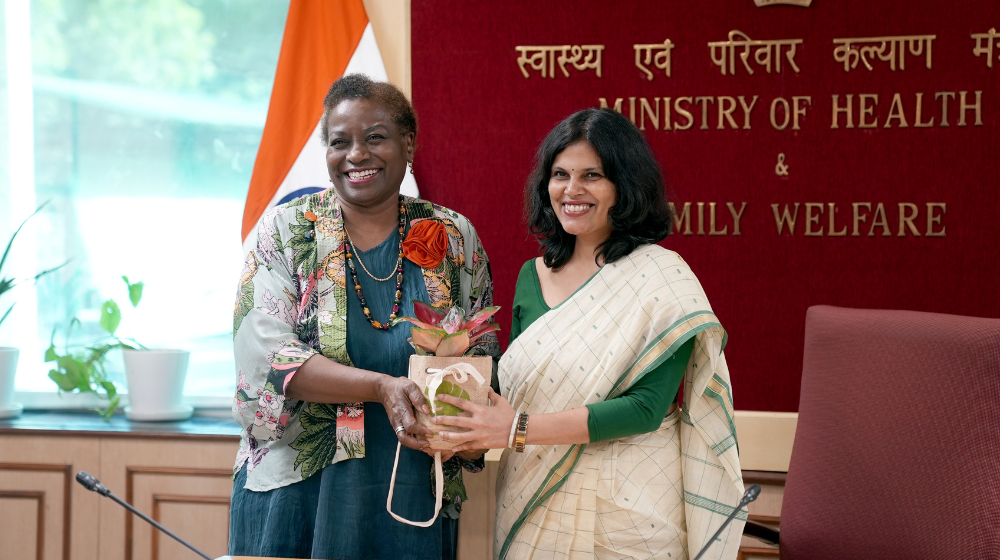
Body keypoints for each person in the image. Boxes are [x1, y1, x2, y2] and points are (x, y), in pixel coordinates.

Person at [431, 108, 745, 559]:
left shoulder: (662, 279)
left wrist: (518, 429)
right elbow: (517, 384)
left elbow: (645, 409)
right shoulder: (531, 275)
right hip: (530, 493)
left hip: (626, 512)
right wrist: (450, 412)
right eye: (560, 174)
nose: (571, 190)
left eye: (592, 175)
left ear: (625, 185)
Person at [228, 74, 500, 559]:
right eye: (340, 142)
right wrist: (381, 386)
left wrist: (471, 430)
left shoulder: (454, 237)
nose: (356, 154)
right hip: (298, 491)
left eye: (375, 137)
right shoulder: (287, 230)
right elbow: (268, 356)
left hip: (412, 490)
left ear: (408, 143)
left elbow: (480, 357)